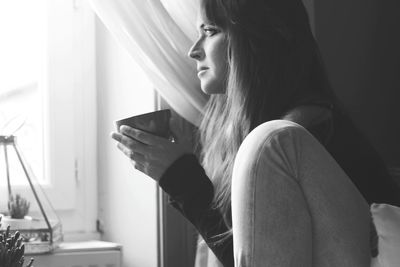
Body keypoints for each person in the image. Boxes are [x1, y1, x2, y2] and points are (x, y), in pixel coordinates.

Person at [111, 0, 400, 266]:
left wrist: (179, 176)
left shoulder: (292, 138)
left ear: (259, 38)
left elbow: (260, 259)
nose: (193, 50)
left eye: (210, 31)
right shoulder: (264, 131)